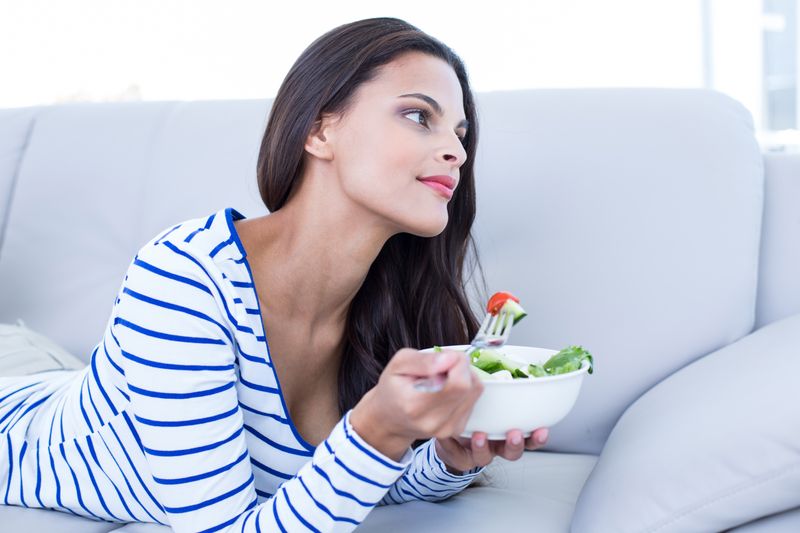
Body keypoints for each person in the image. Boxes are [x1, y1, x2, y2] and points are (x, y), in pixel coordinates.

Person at [0, 17, 549, 532]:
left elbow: (341, 479)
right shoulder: (184, 280)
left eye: (460, 133)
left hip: (63, 378)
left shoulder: (380, 302)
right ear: (318, 131)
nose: (455, 150)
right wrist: (375, 430)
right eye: (417, 115)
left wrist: (444, 458)